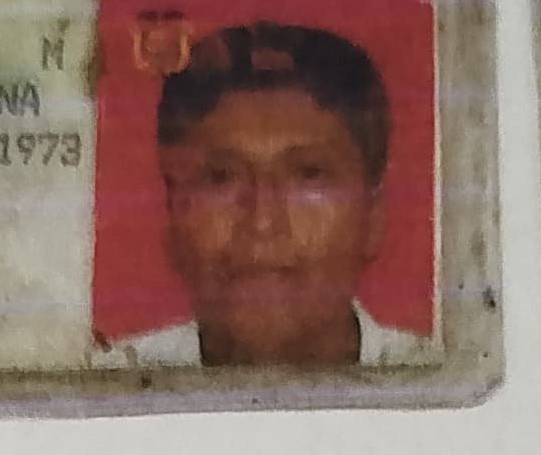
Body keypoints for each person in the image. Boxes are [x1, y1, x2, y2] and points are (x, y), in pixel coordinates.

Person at [118, 21, 438, 369]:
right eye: (221, 177)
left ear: (374, 217)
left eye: (308, 174)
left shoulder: (445, 377)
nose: (262, 222)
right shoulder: (107, 381)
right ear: (172, 217)